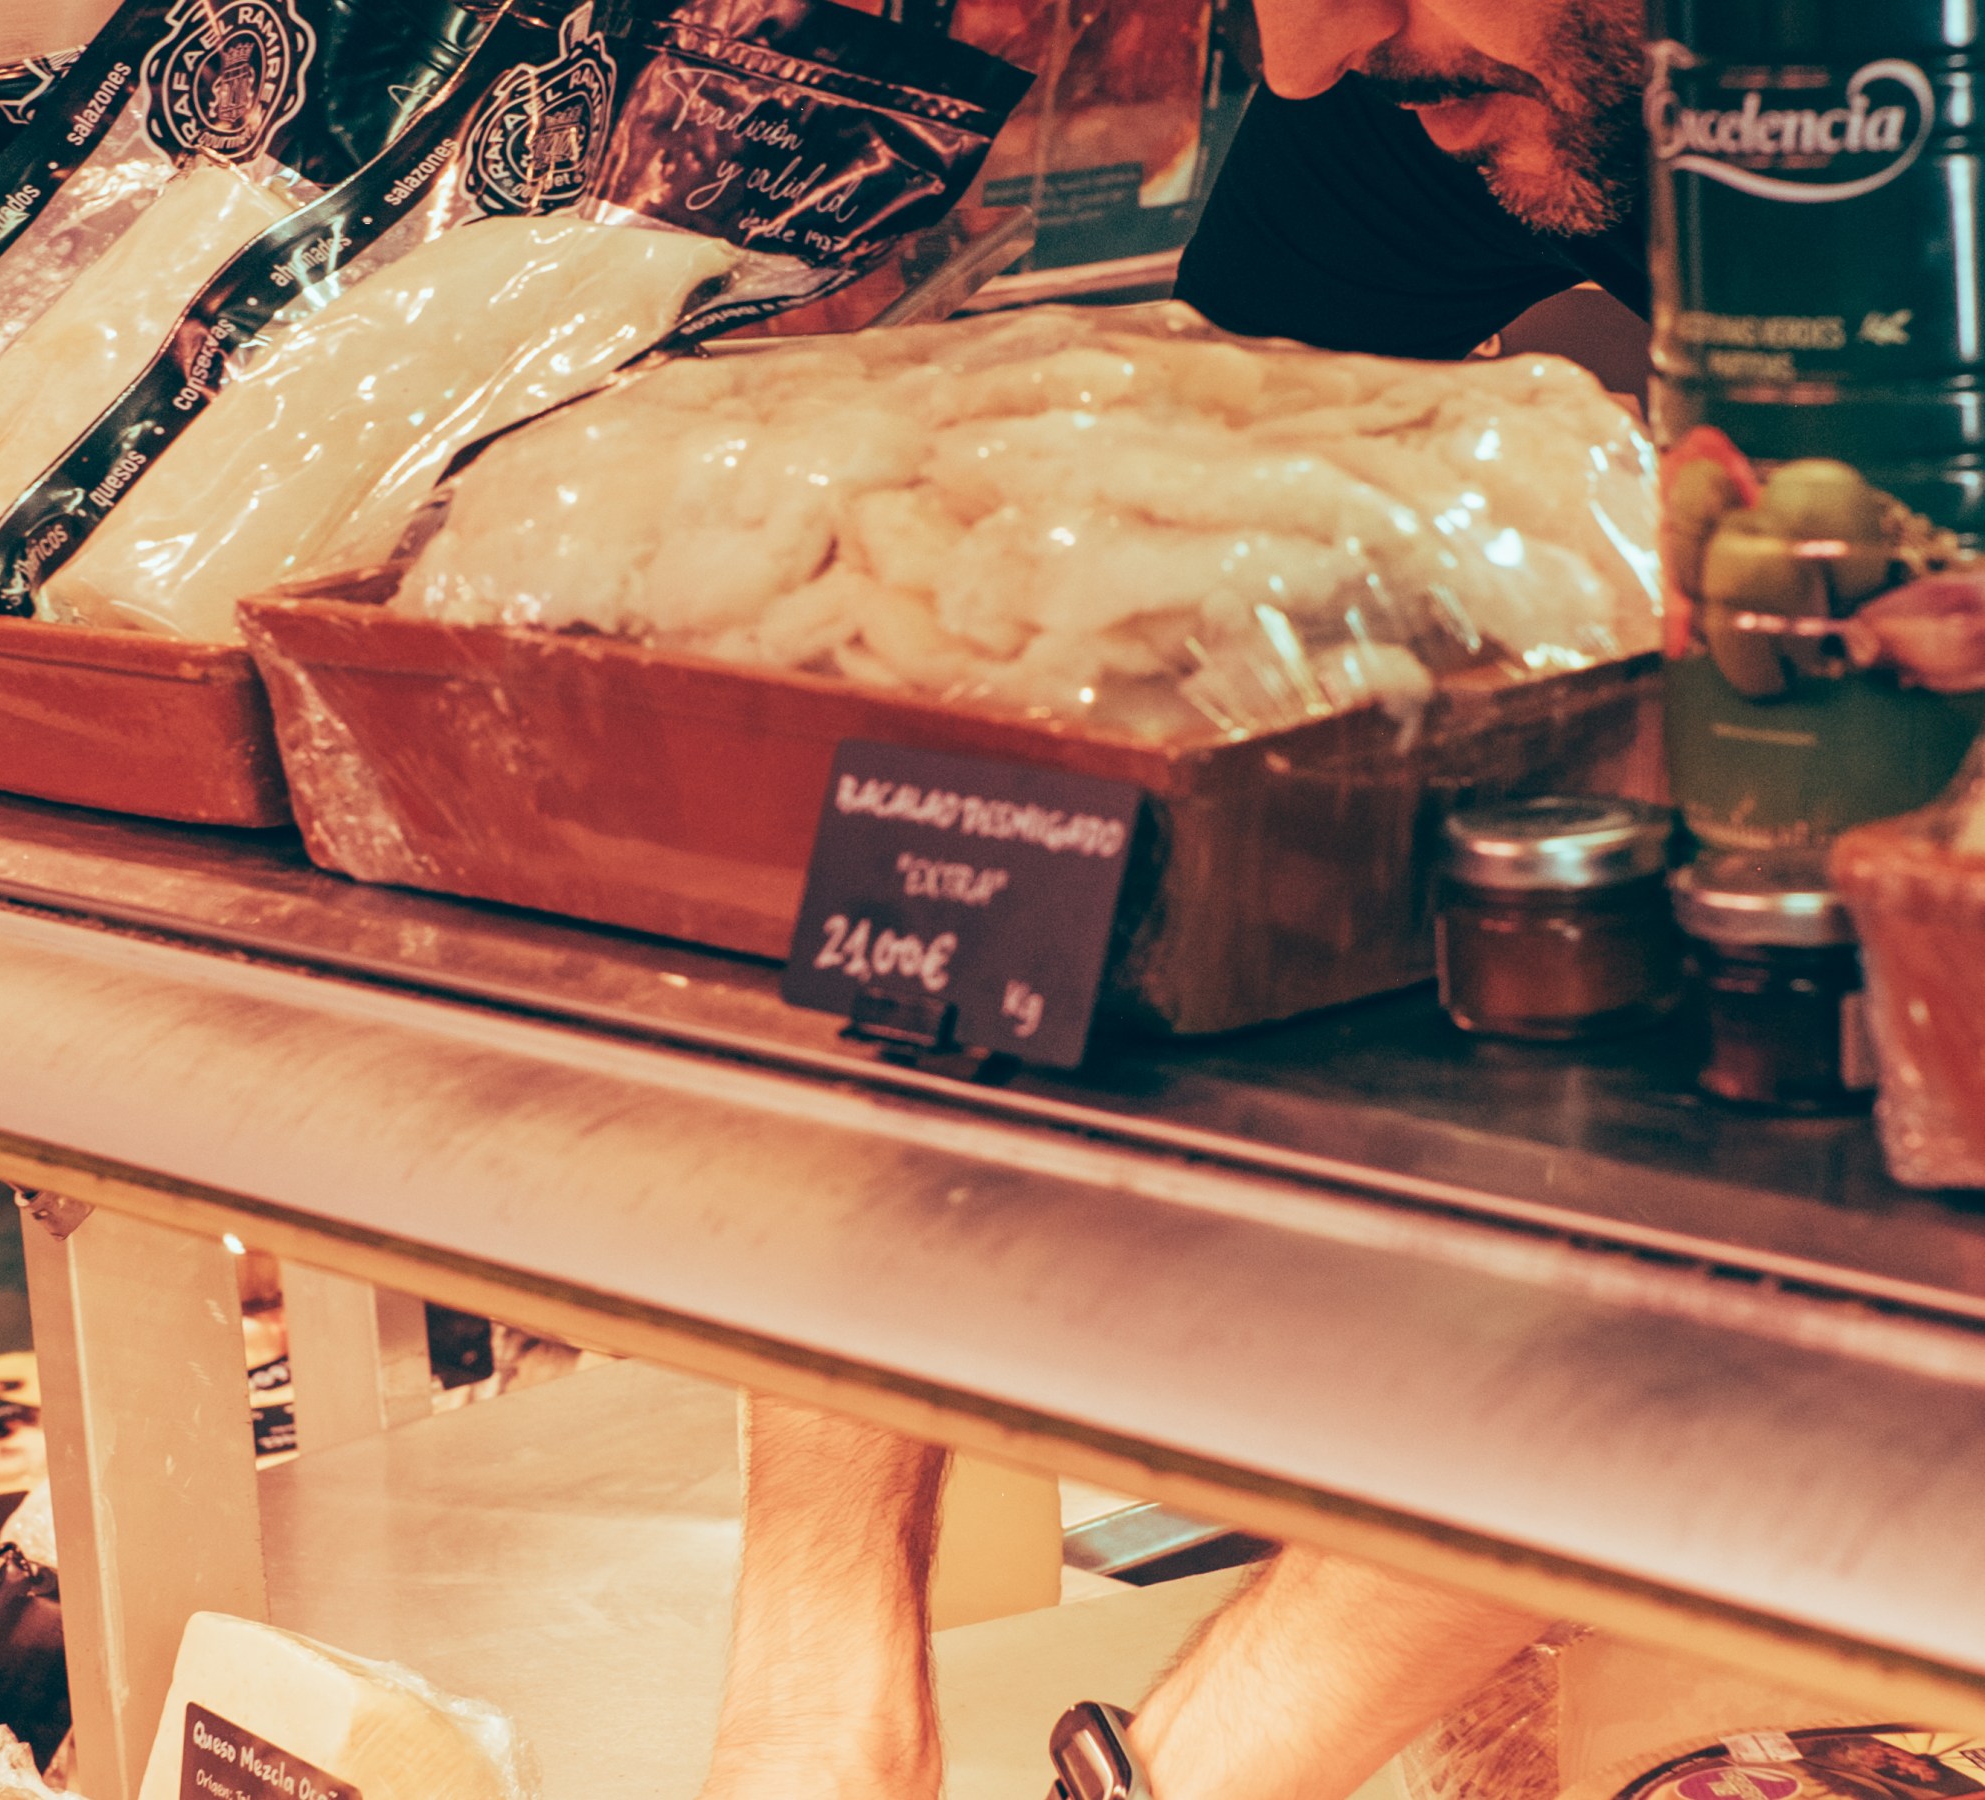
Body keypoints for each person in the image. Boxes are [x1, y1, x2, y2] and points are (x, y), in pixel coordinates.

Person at [698, 5, 1657, 1798]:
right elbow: (1086, 695)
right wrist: (813, 1655)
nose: (1306, 56)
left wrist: (1185, 1772)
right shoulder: (1401, 63)